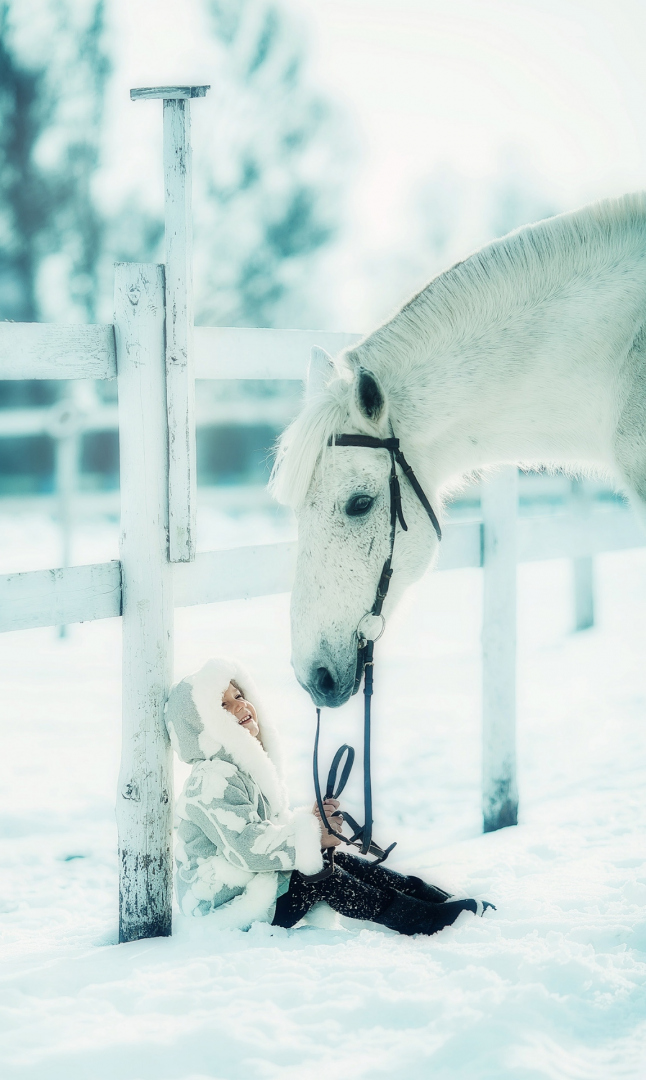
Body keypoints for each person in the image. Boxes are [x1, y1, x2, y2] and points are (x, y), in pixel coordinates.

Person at [164, 657, 495, 934]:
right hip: (225, 907)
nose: (239, 705)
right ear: (202, 728)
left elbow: (267, 833)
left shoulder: (241, 771)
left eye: (238, 695)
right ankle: (422, 920)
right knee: (321, 876)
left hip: (253, 885)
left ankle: (431, 897)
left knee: (341, 860)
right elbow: (247, 850)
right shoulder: (211, 780)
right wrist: (310, 839)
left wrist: (310, 824)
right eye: (223, 705)